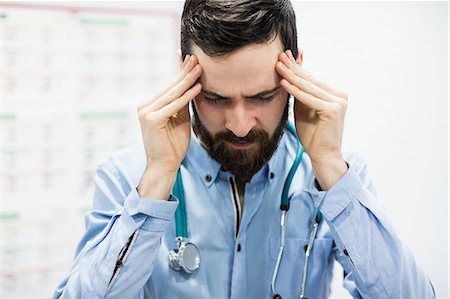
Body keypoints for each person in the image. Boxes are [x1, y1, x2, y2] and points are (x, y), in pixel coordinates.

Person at [54, 0, 435, 298]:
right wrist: (156, 181)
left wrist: (331, 168)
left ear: (295, 76)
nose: (239, 124)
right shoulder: (127, 176)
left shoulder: (335, 176)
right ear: (186, 77)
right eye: (216, 99)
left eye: (263, 97)